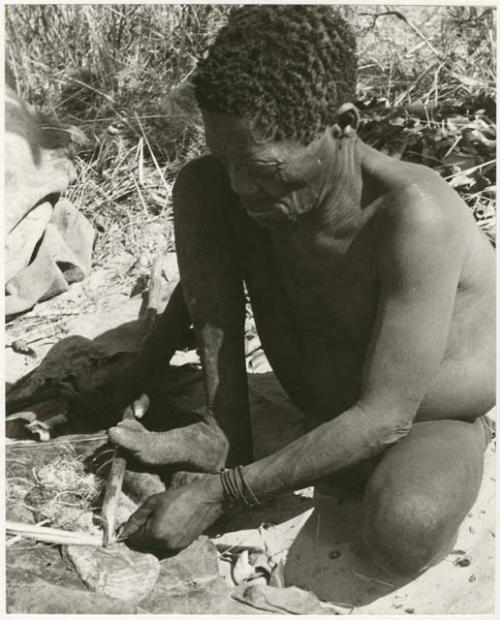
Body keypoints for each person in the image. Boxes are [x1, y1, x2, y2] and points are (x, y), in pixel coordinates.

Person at [108, 6, 495, 578]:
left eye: (264, 167)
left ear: (342, 124)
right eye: (228, 160)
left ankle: (466, 442)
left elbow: (385, 415)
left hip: (420, 417)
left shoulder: (413, 217)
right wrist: (139, 374)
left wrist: (227, 492)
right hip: (322, 404)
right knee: (199, 187)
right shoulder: (231, 191)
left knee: (404, 531)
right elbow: (205, 295)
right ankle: (223, 430)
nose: (243, 187)